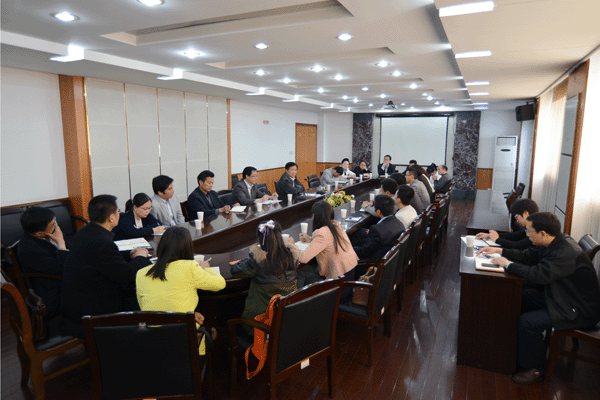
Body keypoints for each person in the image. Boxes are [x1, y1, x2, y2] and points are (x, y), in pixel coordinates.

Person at [477, 212, 600, 384]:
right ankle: (512, 347)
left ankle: (534, 368)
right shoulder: (551, 242)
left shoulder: (565, 252)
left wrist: (508, 264)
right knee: (521, 296)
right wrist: (499, 250)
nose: (527, 235)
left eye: (530, 231)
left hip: (578, 309)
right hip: (562, 297)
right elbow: (527, 257)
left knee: (528, 322)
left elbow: (538, 275)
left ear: (543, 233)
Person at [61, 195, 152, 338]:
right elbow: (127, 275)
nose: (119, 214)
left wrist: (129, 255)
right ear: (111, 218)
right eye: (118, 212)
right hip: (94, 308)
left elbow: (106, 261)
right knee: (144, 298)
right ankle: (137, 340)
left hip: (78, 301)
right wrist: (140, 257)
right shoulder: (102, 242)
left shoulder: (85, 232)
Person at [136, 227, 226, 353]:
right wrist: (205, 269)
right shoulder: (190, 267)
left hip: (153, 345)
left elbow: (148, 308)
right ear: (188, 248)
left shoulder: (141, 273)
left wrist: (187, 315)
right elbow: (220, 284)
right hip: (185, 345)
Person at [231, 220, 299, 334]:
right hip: (287, 322)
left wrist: (254, 254)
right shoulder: (292, 256)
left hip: (261, 326)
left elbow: (234, 270)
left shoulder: (258, 260)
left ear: (259, 240)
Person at [17, 207, 69, 318]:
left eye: (55, 221)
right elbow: (61, 271)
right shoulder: (29, 250)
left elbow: (70, 250)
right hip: (55, 291)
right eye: (53, 224)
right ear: (39, 234)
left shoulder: (51, 231)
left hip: (66, 274)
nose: (56, 226)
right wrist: (61, 244)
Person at [296, 201, 358, 289]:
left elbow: (303, 259)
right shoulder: (335, 224)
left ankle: (301, 297)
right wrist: (311, 240)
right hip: (349, 275)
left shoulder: (321, 233)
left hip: (338, 284)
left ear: (316, 216)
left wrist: (292, 246)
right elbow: (329, 240)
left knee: (300, 272)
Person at [353, 195, 403, 260]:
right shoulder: (399, 223)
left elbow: (363, 252)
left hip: (371, 262)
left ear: (378, 212)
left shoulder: (377, 230)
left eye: (374, 207)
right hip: (387, 257)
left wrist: (349, 249)